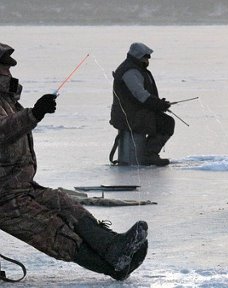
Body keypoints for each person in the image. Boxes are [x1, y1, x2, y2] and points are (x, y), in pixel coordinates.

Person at [0, 42, 148, 281]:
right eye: (4, 69)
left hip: (20, 187)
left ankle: (114, 247)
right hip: (4, 198)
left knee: (64, 203)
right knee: (50, 230)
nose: (9, 73)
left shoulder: (7, 101)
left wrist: (31, 113)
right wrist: (33, 114)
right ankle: (112, 266)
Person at [110, 42, 175, 166]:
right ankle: (149, 155)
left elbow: (142, 96)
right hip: (129, 115)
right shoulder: (130, 71)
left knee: (164, 121)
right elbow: (140, 95)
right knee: (166, 123)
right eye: (146, 57)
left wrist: (158, 104)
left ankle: (149, 153)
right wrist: (158, 104)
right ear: (140, 56)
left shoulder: (134, 68)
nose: (147, 60)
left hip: (132, 112)